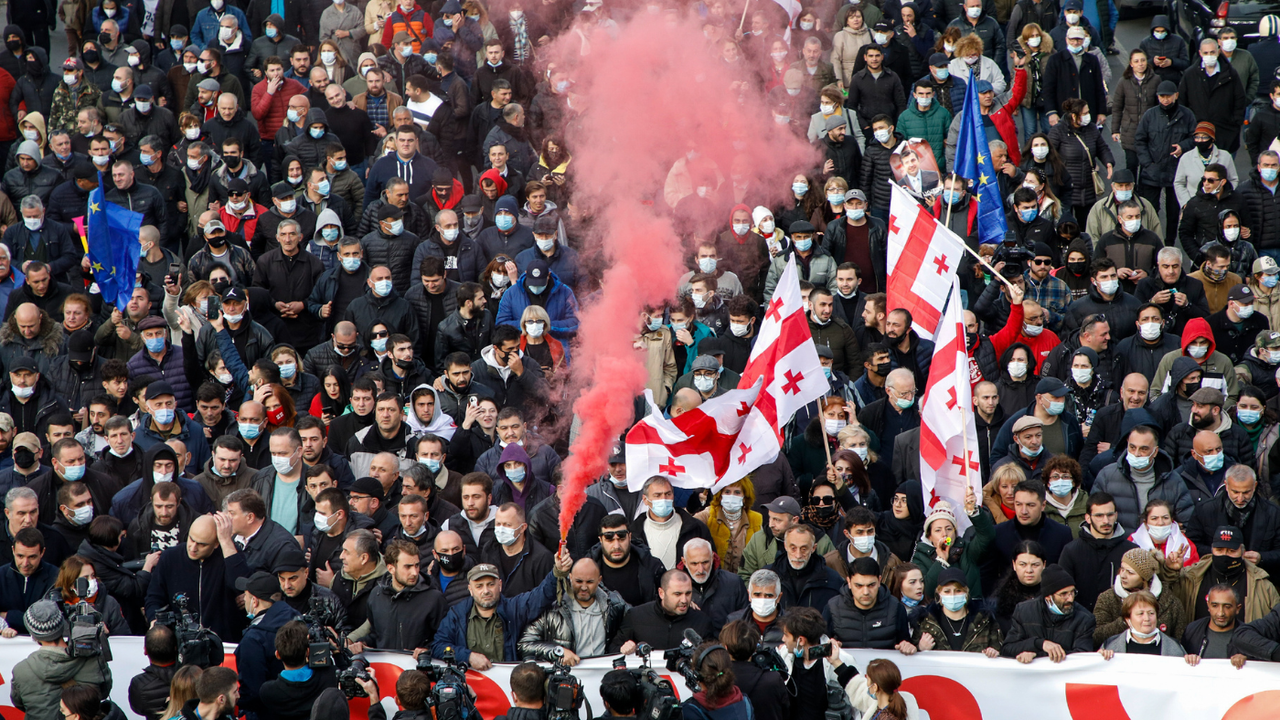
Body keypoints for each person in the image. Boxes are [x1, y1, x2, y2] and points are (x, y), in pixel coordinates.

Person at [432, 550, 572, 668]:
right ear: (470, 589)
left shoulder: (514, 608)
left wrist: (558, 571)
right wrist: (468, 656)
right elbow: (438, 646)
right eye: (479, 586)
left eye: (490, 584)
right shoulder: (457, 614)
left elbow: (542, 595)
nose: (486, 591)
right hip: (470, 691)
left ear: (500, 585)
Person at [10, 600, 110, 720]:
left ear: (33, 634)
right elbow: (103, 693)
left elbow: (20, 704)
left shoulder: (21, 670)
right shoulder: (92, 660)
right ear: (63, 624)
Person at [517, 557, 626, 664]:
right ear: (570, 577)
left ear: (599, 580)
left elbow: (636, 624)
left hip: (602, 675)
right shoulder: (553, 608)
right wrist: (557, 651)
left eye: (589, 582)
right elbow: (525, 644)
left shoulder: (614, 605)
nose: (583, 587)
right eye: (579, 581)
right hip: (564, 676)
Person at [234, 570, 302, 719]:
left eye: (246, 595)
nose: (244, 599)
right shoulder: (301, 622)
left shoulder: (254, 639)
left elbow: (253, 693)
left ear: (255, 601)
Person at [1092, 547, 1185, 647]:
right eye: (1122, 569)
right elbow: (1096, 637)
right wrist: (1126, 620)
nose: (1123, 575)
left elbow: (1180, 641)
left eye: (1130, 572)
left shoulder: (1170, 602)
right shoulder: (1107, 598)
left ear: (1145, 578)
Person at [1001, 564, 1096, 662]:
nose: (1070, 599)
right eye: (1064, 594)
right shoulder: (1024, 611)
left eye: (1072, 592)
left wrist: (1036, 655)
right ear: (1048, 598)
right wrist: (1039, 644)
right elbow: (1007, 649)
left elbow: (1082, 658)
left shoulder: (1084, 619)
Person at [913, 567, 1002, 655]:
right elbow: (911, 656)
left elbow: (999, 649)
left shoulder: (985, 621)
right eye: (947, 591)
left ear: (966, 592)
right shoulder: (925, 622)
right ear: (939, 594)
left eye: (958, 590)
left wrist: (993, 652)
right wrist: (920, 648)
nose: (952, 595)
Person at [1097, 589, 1186, 658]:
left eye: (1151, 613)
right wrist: (1099, 658)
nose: (1147, 618)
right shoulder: (1110, 645)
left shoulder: (1175, 647)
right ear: (1128, 619)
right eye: (1140, 614)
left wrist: (1191, 661)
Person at [1182, 584, 1247, 666]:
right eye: (1215, 606)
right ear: (1208, 606)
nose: (1220, 613)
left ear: (1238, 609)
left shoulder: (1248, 636)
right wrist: (1187, 658)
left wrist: (1247, 660)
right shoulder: (1192, 631)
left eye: (1227, 607)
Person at [129, 625, 179, 720]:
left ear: (145, 651)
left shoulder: (139, 684)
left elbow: (138, 708)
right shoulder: (192, 675)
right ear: (176, 648)